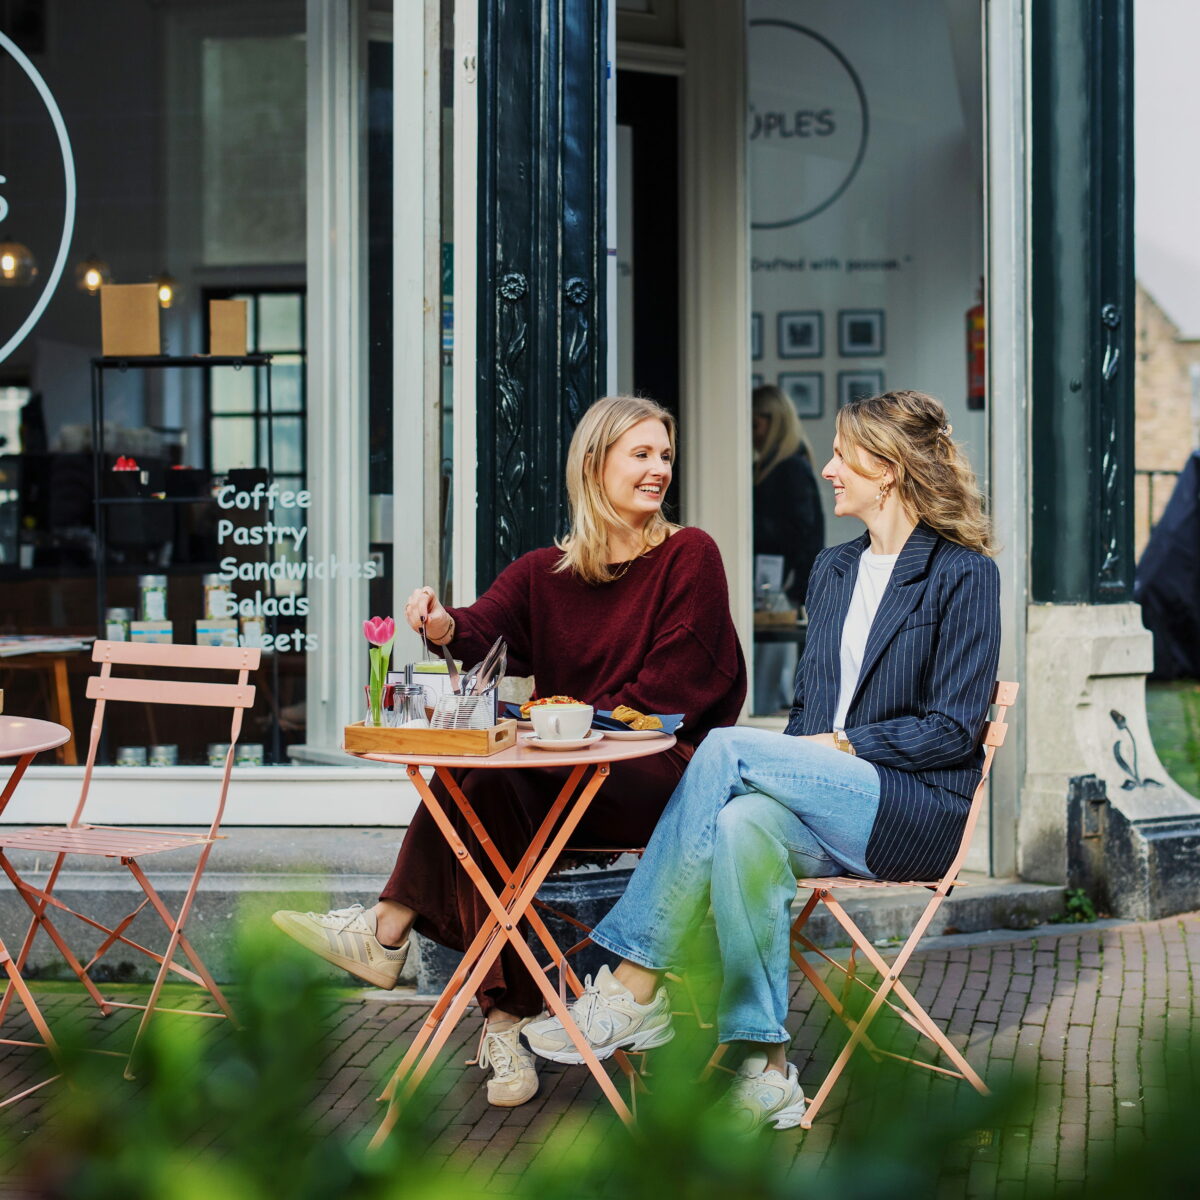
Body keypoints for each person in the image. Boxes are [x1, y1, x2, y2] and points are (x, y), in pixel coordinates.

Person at [523, 389, 1001, 1133]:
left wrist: (839, 746)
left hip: (911, 809)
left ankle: (633, 981)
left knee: (723, 746)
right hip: (827, 802)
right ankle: (767, 1070)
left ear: (890, 468)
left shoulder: (963, 574)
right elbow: (810, 713)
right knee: (744, 822)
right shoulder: (835, 570)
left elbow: (950, 731)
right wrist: (816, 746)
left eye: (845, 455)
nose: (830, 469)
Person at [273, 395, 746, 1109]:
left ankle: (393, 933)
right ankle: (504, 1017)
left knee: (486, 784)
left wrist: (557, 721)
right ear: (593, 465)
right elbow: (476, 629)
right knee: (483, 795)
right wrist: (437, 624)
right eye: (641, 454)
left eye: (664, 456)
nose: (658, 471)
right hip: (562, 781)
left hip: (655, 781)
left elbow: (670, 693)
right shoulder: (544, 573)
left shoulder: (689, 556)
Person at [751, 385, 824, 713]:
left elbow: (807, 535)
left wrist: (795, 591)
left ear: (773, 421)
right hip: (776, 587)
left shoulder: (789, 469)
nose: (752, 434)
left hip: (781, 590)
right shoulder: (771, 466)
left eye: (755, 425)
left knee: (768, 680)